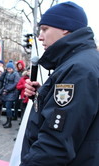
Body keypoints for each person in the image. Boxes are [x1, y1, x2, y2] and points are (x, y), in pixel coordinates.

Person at [21, 2, 99, 166]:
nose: (40, 37)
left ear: (65, 28)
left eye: (45, 29)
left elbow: (55, 144)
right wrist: (42, 95)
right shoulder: (81, 61)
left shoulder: (78, 68)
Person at [0, 61, 20, 128]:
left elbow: (15, 83)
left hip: (12, 93)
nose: (9, 70)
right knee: (7, 108)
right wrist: (5, 72)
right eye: (8, 69)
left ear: (13, 68)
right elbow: (0, 79)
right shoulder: (7, 73)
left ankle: (9, 122)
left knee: (8, 107)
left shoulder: (15, 74)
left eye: (10, 69)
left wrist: (7, 90)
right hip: (6, 92)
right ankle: (8, 121)